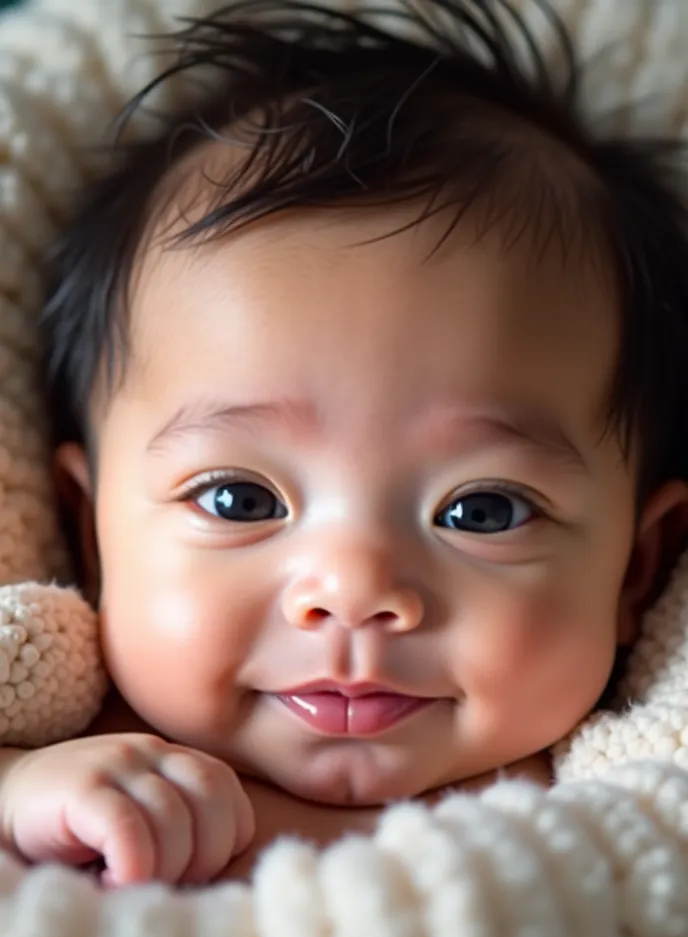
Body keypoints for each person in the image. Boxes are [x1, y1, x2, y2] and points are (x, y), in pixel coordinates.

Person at [0, 0, 687, 887]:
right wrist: (20, 788)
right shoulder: (79, 775)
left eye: (482, 510)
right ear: (91, 534)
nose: (356, 592)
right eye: (238, 500)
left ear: (636, 567)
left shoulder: (620, 824)